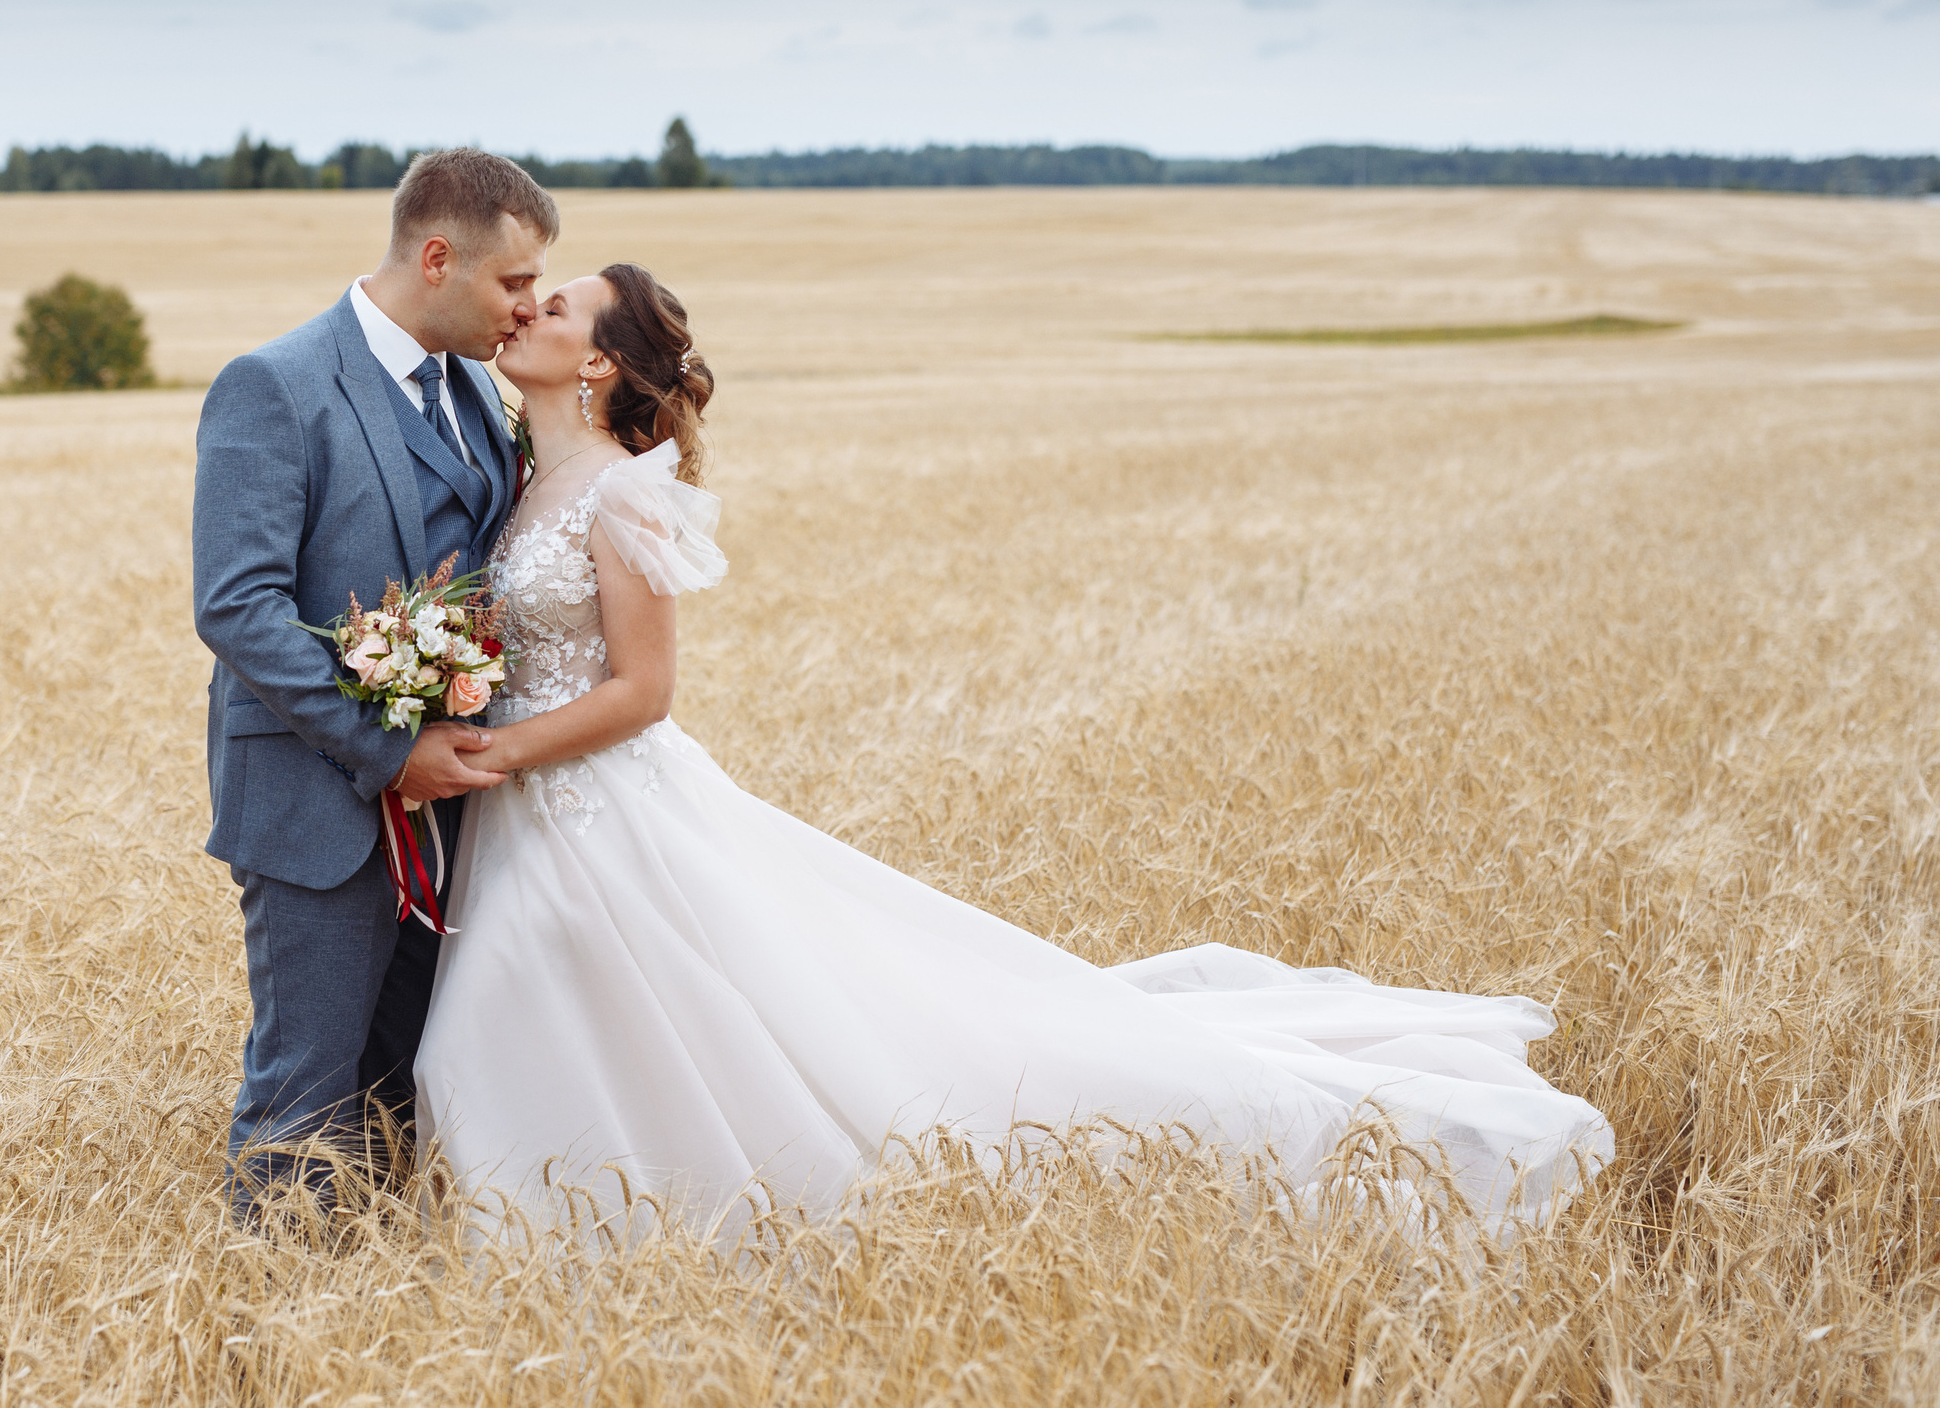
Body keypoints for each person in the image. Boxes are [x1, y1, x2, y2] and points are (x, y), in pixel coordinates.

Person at [413, 262, 1615, 1234]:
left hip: (586, 798)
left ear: (604, 359)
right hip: (530, 809)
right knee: (573, 1013)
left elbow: (645, 691)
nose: (527, 311)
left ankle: (617, 1214)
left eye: (555, 305)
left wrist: (497, 755)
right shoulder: (525, 481)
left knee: (644, 1011)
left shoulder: (623, 494)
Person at [192, 148, 550, 1221]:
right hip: (317, 807)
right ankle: (265, 1322)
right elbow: (237, 607)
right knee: (304, 1094)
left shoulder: (476, 392)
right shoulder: (276, 385)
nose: (527, 309)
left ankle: (369, 1318)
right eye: (513, 283)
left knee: (403, 1086)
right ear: (436, 257)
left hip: (452, 813)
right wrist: (390, 750)